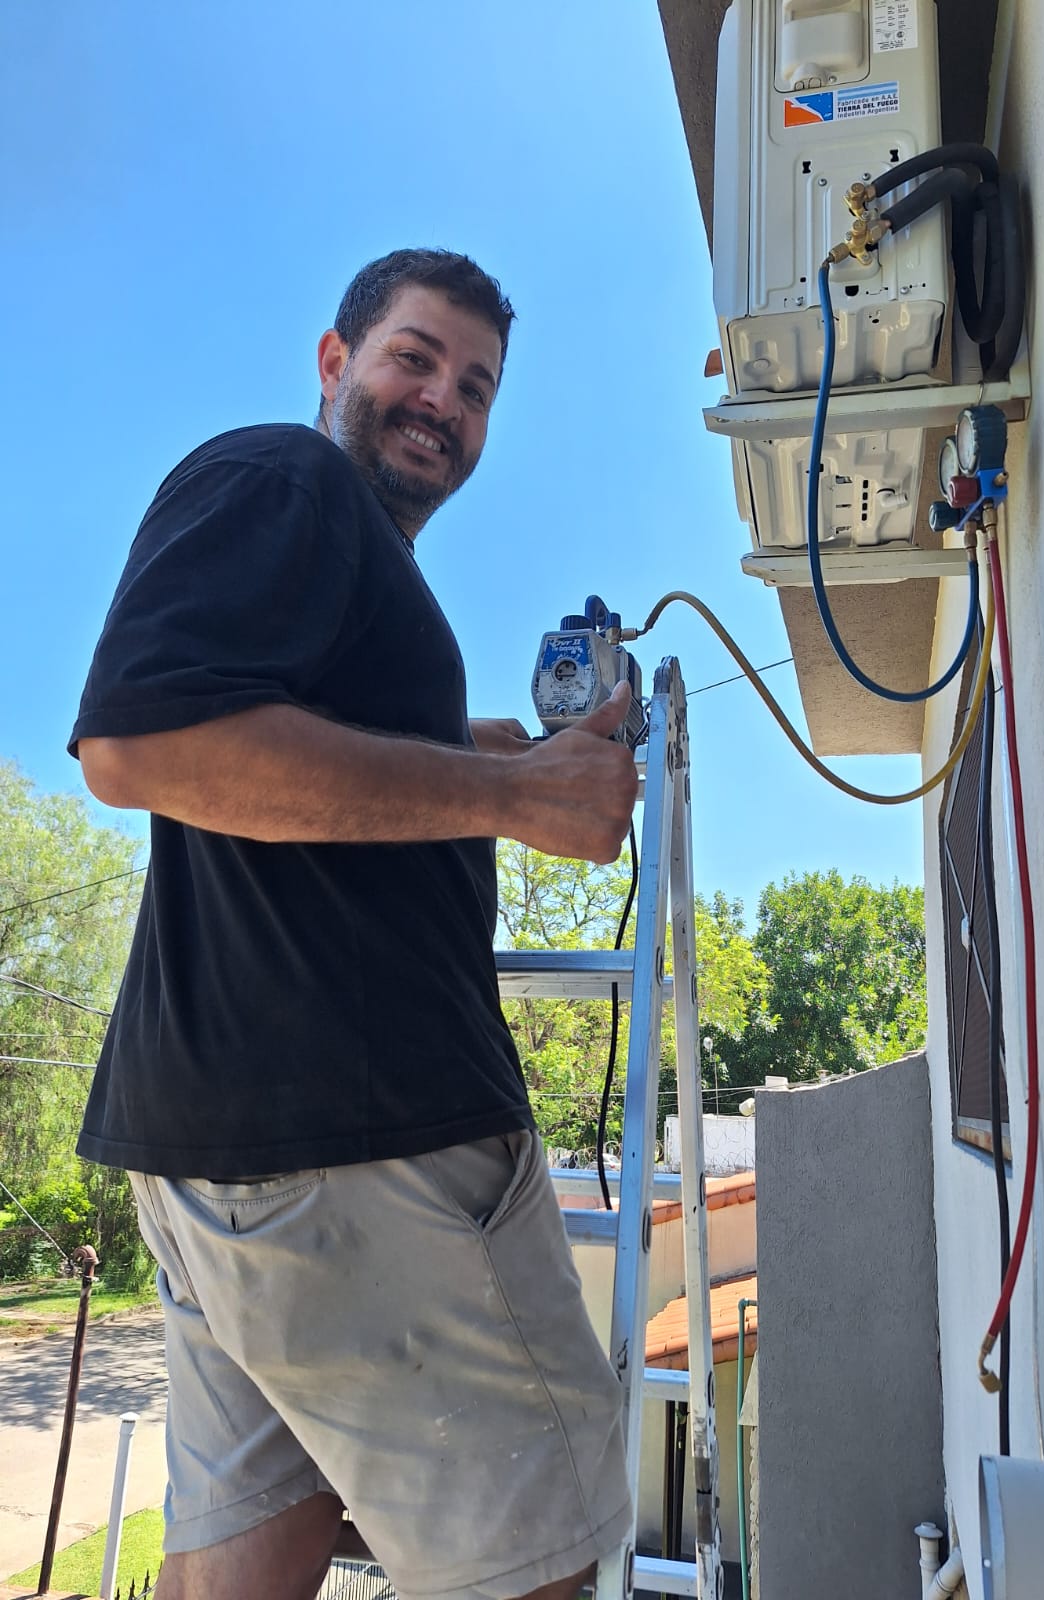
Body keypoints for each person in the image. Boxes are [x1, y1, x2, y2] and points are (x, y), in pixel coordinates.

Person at [70, 249, 638, 1600]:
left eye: (477, 386)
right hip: (364, 1136)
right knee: (536, 1561)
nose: (444, 398)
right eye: (414, 357)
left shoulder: (348, 562)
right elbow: (143, 745)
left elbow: (286, 743)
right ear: (335, 363)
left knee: (251, 1549)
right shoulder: (287, 477)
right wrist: (509, 796)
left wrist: (473, 742)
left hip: (223, 1159)